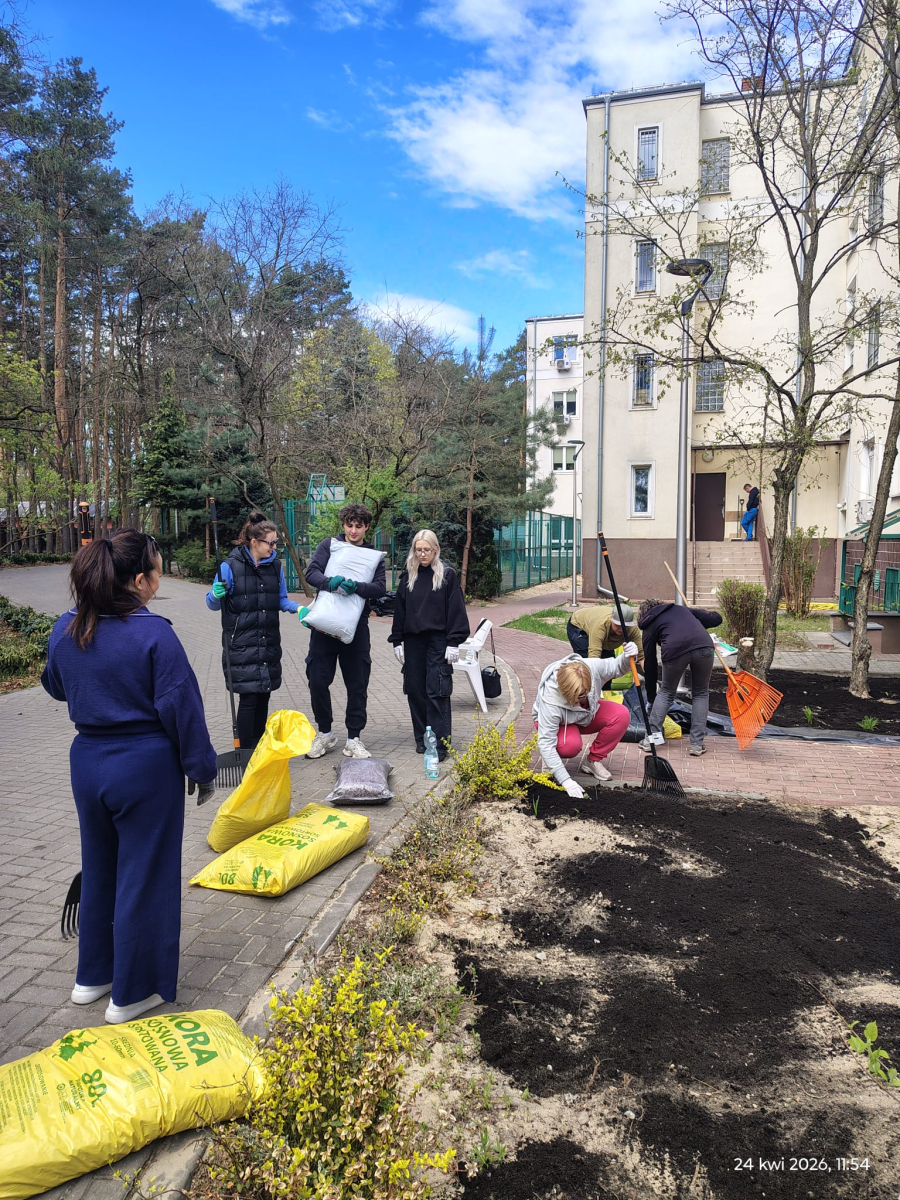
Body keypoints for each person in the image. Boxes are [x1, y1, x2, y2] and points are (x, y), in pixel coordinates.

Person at [41, 531, 217, 1025]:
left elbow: (55, 685)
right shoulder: (154, 633)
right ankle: (134, 992)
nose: (160, 581)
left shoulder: (67, 626)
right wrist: (202, 769)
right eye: (157, 572)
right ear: (139, 580)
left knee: (100, 868)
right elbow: (183, 708)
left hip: (87, 763)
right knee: (146, 875)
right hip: (144, 767)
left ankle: (92, 977)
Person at [206, 510, 302, 751]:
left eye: (275, 543)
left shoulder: (275, 567)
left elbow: (281, 600)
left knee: (264, 695)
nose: (274, 548)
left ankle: (258, 749)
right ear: (254, 542)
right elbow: (212, 603)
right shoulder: (230, 566)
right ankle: (243, 752)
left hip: (268, 641)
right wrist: (215, 594)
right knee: (249, 698)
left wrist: (299, 609)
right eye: (270, 543)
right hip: (241, 644)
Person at [305, 502, 386, 760]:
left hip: (356, 627)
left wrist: (357, 587)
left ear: (366, 527)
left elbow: (380, 587)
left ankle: (354, 739)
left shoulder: (373, 555)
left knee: (357, 683)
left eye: (358, 526)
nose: (353, 531)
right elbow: (311, 573)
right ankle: (325, 733)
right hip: (324, 625)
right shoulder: (329, 546)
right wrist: (330, 583)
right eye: (349, 525)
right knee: (318, 680)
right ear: (343, 524)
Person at [388, 529, 470, 759]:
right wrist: (397, 640)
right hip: (413, 640)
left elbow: (456, 609)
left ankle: (440, 744)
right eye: (418, 550)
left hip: (438, 641)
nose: (422, 554)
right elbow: (400, 610)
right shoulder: (409, 576)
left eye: (426, 550)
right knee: (415, 690)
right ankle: (422, 739)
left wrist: (454, 642)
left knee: (436, 691)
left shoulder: (446, 575)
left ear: (436, 549)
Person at [532, 649, 636, 796]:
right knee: (570, 746)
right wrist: (566, 780)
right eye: (571, 697)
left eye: (581, 695)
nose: (576, 701)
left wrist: (627, 656)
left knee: (621, 715)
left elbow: (617, 666)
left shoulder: (592, 668)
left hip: (584, 715)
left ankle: (592, 761)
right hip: (559, 723)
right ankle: (551, 762)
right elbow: (546, 743)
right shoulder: (550, 702)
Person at [637, 598, 722, 756]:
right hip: (704, 646)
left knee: (666, 692)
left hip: (674, 650)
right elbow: (716, 619)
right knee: (701, 693)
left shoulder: (648, 626)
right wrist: (696, 618)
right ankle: (697, 745)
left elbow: (650, 665)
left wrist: (651, 699)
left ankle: (651, 741)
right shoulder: (680, 609)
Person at [567, 603, 644, 666]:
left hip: (600, 630)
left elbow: (642, 656)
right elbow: (593, 658)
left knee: (609, 666)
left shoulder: (632, 630)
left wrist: (648, 676)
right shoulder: (600, 626)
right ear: (612, 620)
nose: (621, 629)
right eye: (617, 625)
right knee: (586, 662)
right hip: (578, 624)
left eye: (624, 626)